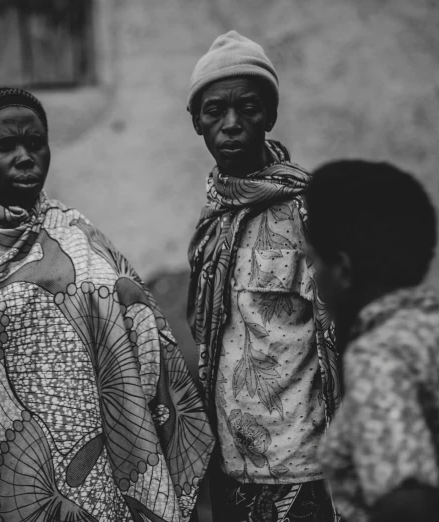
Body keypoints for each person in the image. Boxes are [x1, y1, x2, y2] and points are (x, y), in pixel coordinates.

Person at [0, 87, 214, 522]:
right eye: (6, 146)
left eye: (36, 143)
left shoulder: (77, 231)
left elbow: (135, 315)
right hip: (12, 465)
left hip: (95, 447)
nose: (25, 156)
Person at [304, 160, 439, 521]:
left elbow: (406, 505)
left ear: (342, 269)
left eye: (314, 263)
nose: (313, 279)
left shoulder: (380, 356)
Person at [186, 31, 340, 522]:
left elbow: (341, 339)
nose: (231, 125)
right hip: (231, 465)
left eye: (248, 108)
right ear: (197, 123)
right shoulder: (215, 215)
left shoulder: (309, 211)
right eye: (214, 112)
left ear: (270, 115)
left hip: (304, 468)